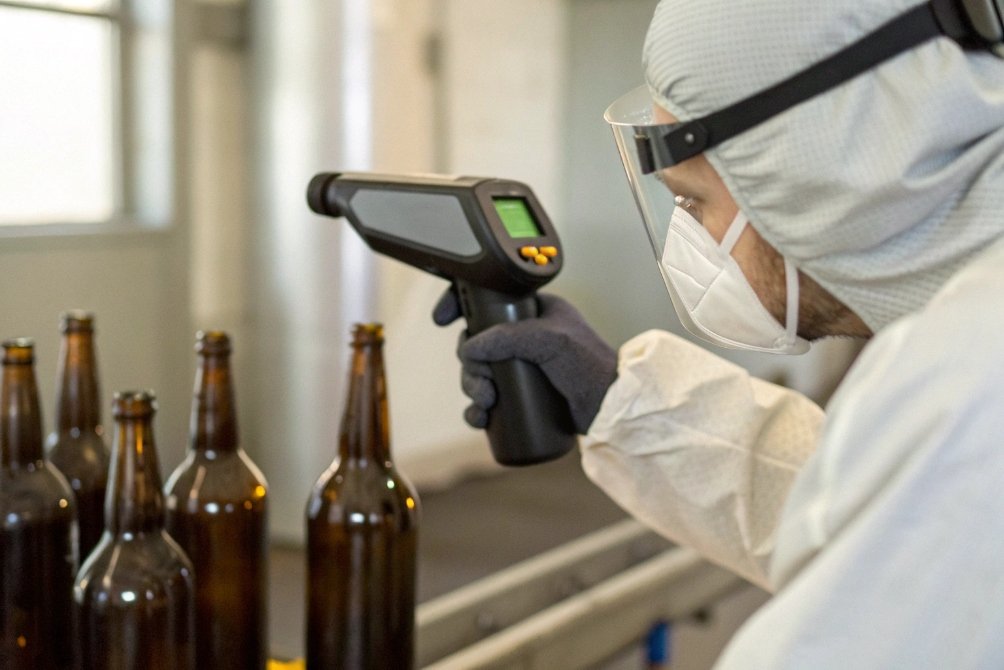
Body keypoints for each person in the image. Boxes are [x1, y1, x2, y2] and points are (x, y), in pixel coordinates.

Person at [435, 0, 1004, 667]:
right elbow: (873, 513)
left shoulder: (969, 379)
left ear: (811, 173)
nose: (695, 237)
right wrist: (624, 399)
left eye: (692, 200)